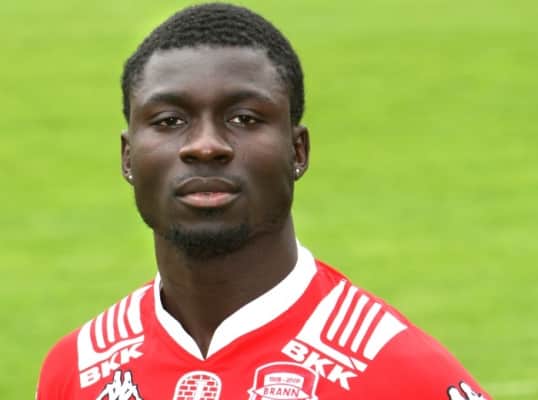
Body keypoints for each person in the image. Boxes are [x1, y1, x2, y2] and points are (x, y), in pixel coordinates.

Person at [37, 3, 491, 399]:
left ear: (298, 151)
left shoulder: (399, 372)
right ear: (128, 157)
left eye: (244, 118)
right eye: (170, 120)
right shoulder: (78, 371)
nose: (205, 146)